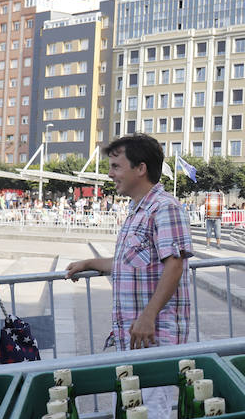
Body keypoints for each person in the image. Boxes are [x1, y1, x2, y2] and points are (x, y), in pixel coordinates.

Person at [66, 135, 193, 349]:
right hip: (134, 334)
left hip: (156, 335)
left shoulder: (165, 208)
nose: (110, 174)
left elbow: (175, 265)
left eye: (116, 166)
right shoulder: (137, 211)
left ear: (140, 169)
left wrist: (148, 315)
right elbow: (126, 262)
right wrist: (87, 263)